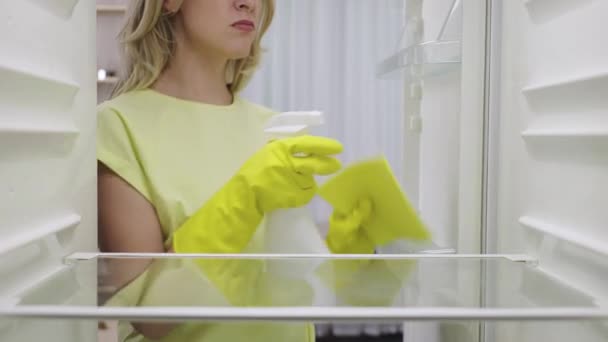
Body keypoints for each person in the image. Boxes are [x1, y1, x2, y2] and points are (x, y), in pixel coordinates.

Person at [97, 1, 409, 341]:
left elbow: (281, 283)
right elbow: (150, 317)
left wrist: (338, 251)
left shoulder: (271, 125)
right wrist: (243, 197)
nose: (249, 3)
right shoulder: (118, 126)